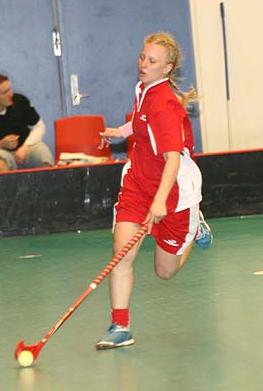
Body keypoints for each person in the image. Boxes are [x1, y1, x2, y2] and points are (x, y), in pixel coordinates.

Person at [95, 32, 212, 349]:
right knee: (121, 254)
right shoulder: (143, 88)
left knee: (165, 271)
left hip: (174, 192)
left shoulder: (166, 106)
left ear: (167, 68)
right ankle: (120, 326)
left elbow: (172, 159)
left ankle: (194, 228)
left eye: (152, 61)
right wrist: (120, 132)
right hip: (138, 182)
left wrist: (159, 202)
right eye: (142, 57)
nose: (143, 64)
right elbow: (141, 122)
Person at [0, 73, 54, 172]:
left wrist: (25, 146)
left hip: (25, 149)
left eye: (9, 89)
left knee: (43, 154)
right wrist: (0, 144)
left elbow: (39, 126)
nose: (11, 94)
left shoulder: (20, 101)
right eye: (5, 92)